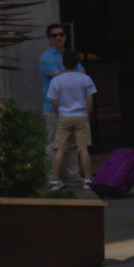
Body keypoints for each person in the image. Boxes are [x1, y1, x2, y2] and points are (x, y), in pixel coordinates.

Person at [43, 50, 97, 194]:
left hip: (64, 116)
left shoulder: (57, 80)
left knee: (60, 148)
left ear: (63, 63)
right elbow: (90, 99)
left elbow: (54, 100)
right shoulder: (85, 79)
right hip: (81, 116)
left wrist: (59, 114)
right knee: (83, 149)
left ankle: (55, 180)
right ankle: (87, 179)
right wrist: (87, 114)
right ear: (77, 63)